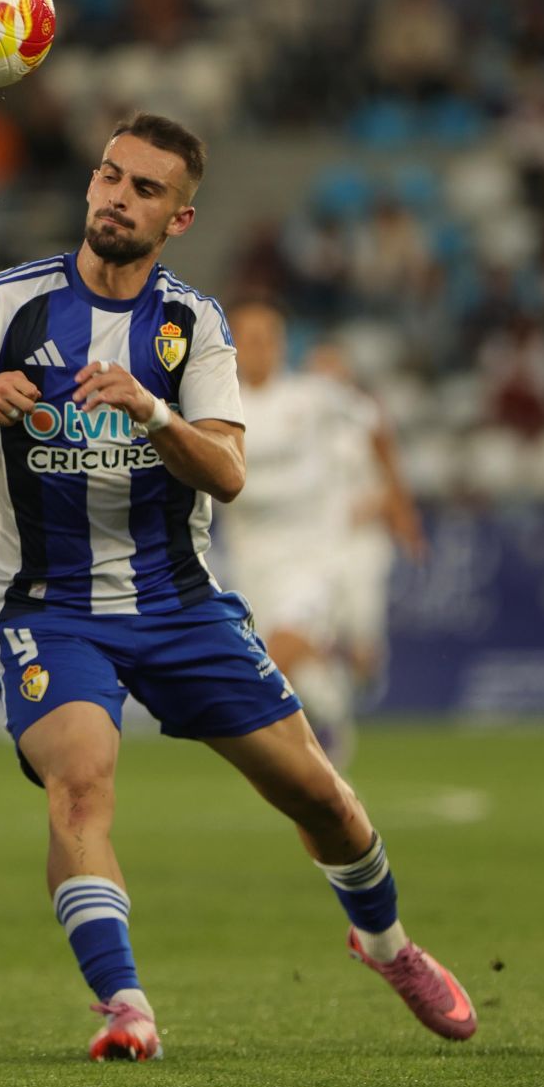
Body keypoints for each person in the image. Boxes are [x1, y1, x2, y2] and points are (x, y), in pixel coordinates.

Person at [0, 114, 475, 1061]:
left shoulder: (194, 325)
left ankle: (387, 944)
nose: (119, 197)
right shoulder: (2, 306)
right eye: (111, 176)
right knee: (79, 782)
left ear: (179, 218)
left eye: (146, 188)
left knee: (321, 798)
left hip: (178, 603)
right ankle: (126, 1006)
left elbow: (227, 472)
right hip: (46, 606)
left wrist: (152, 410)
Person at [218, 317, 425, 767]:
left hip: (315, 556)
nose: (257, 349)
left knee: (282, 650)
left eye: (265, 339)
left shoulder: (311, 397)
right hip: (252, 561)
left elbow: (376, 423)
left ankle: (267, 722)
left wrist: (400, 506)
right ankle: (329, 705)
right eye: (248, 340)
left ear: (281, 344)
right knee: (276, 658)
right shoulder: (218, 403)